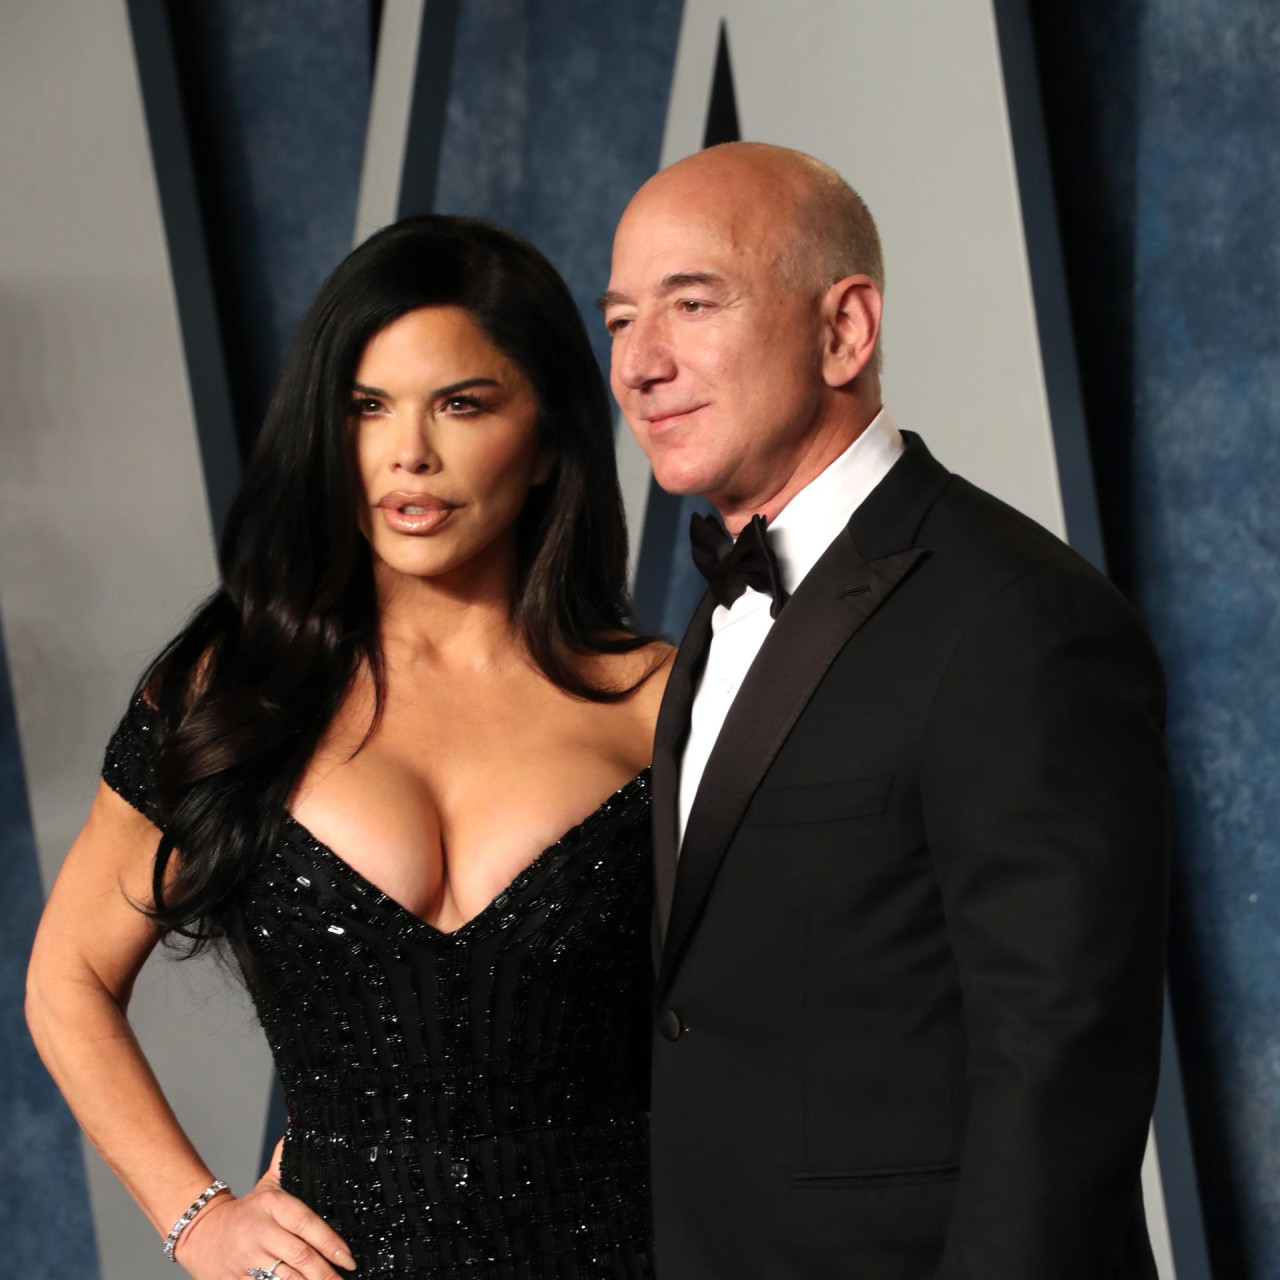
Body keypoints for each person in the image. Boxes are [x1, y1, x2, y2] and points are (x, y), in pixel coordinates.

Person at [26, 215, 670, 1280]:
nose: (408, 452)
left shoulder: (661, 701)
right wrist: (200, 1220)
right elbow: (68, 976)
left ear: (550, 441)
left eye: (461, 404)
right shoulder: (232, 690)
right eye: (367, 407)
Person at [600, 142, 1169, 1279]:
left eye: (692, 303)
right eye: (618, 319)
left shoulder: (1018, 614)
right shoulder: (713, 613)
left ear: (845, 329)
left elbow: (1061, 1062)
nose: (640, 364)